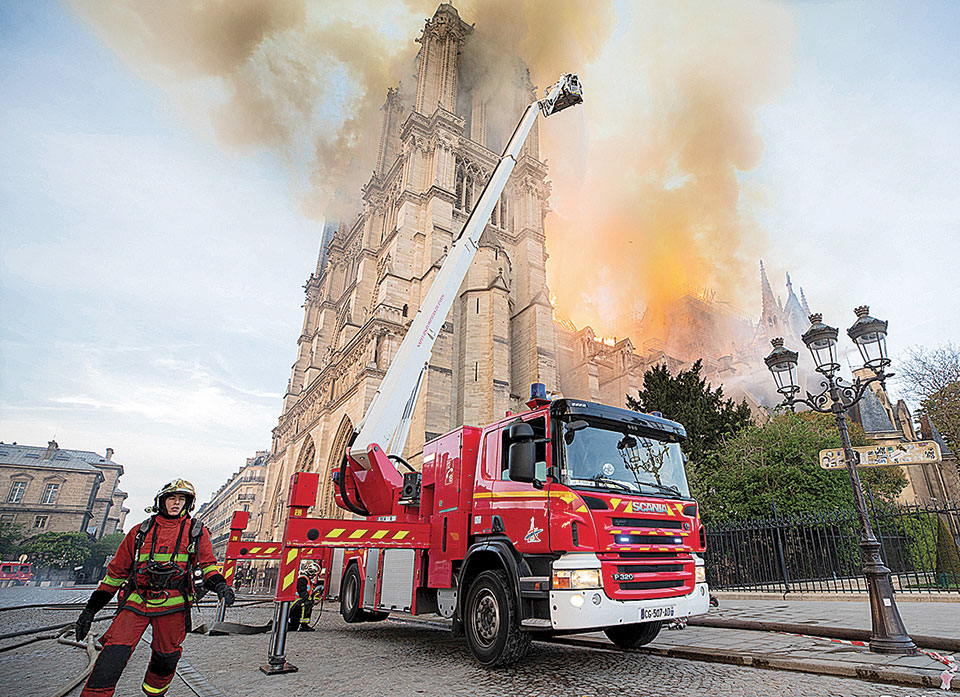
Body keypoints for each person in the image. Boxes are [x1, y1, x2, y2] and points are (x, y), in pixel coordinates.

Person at [74, 479, 235, 697]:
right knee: (113, 654)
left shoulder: (196, 532)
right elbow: (115, 576)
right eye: (172, 498)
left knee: (166, 658)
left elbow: (207, 566)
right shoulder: (139, 532)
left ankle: (155, 694)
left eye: (181, 499)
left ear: (188, 503)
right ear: (161, 501)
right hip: (137, 602)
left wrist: (221, 586)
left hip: (174, 606)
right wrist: (89, 611)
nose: (176, 503)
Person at [287, 561, 322, 632]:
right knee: (308, 603)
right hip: (294, 603)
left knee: (293, 627)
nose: (313, 576)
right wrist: (312, 601)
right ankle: (304, 625)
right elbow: (303, 593)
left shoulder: (308, 580)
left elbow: (309, 593)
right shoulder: (302, 579)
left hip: (297, 603)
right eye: (313, 573)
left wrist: (316, 598)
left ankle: (281, 625)